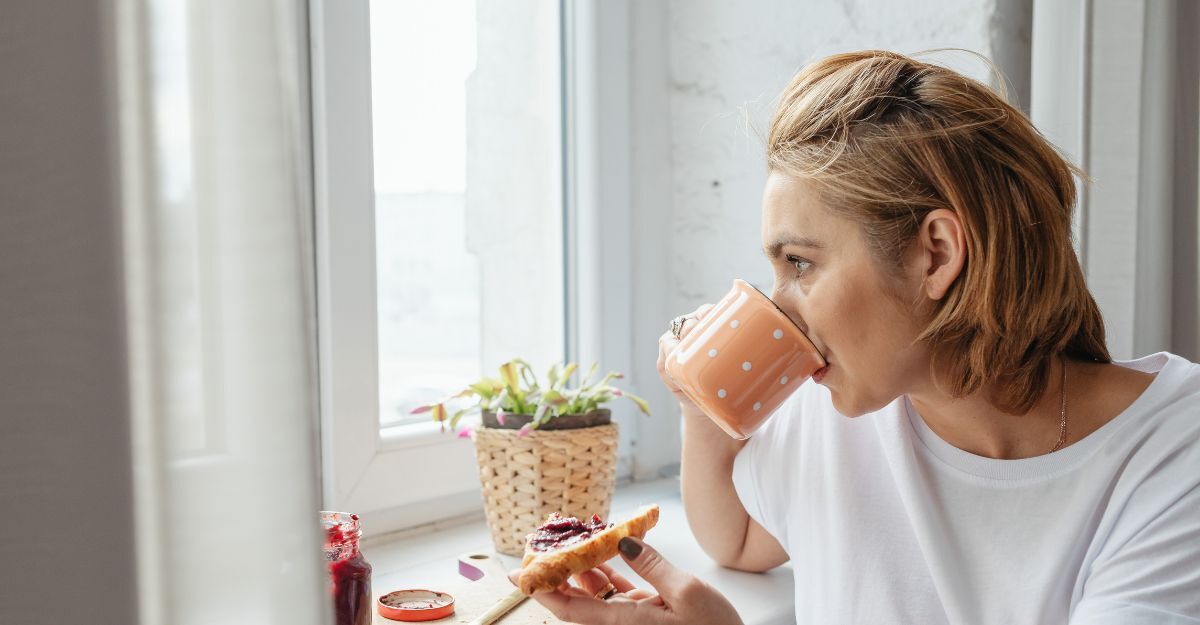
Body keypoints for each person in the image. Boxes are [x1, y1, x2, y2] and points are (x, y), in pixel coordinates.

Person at [509, 50, 1200, 624]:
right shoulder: (844, 404)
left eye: (799, 263)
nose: (778, 309)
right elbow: (739, 538)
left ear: (936, 254)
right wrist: (703, 409)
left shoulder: (1174, 452)